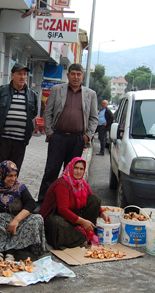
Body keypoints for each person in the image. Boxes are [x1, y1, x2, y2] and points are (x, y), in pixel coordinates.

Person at [36, 64, 99, 203]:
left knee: (73, 175)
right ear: (68, 75)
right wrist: (50, 133)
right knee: (51, 172)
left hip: (77, 140)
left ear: (83, 76)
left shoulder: (90, 94)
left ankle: (69, 204)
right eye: (73, 74)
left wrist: (87, 136)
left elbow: (94, 118)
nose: (76, 77)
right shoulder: (57, 90)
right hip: (57, 138)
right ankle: (43, 203)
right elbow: (48, 113)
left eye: (79, 74)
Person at [0, 160, 46, 261]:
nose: (13, 179)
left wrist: (16, 220)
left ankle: (11, 251)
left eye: (15, 175)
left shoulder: (19, 187)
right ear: (1, 174)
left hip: (15, 223)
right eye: (10, 175)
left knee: (37, 218)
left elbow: (31, 203)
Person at [39, 157, 111, 250]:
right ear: (70, 168)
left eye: (81, 169)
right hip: (56, 216)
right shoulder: (62, 184)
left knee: (95, 199)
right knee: (57, 224)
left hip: (74, 215)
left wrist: (102, 213)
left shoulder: (82, 183)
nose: (78, 171)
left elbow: (91, 197)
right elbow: (62, 210)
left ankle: (88, 230)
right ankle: (80, 237)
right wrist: (83, 221)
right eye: (76, 168)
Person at [0, 63, 38, 179]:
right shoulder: (0, 92)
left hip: (20, 142)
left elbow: (33, 114)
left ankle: (9, 197)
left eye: (24, 74)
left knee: (13, 175)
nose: (22, 77)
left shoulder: (32, 95)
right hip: (2, 141)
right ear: (12, 76)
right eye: (19, 74)